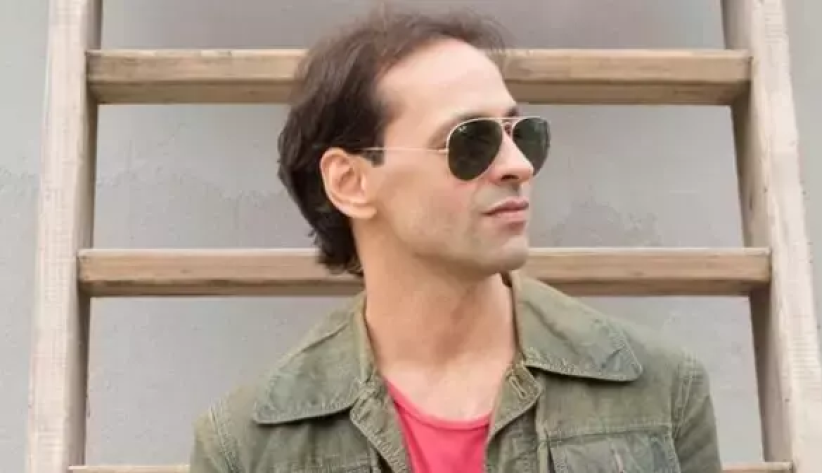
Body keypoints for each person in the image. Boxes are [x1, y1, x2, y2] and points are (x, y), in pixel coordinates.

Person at [189, 6, 722, 473]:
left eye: (521, 133)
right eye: (470, 141)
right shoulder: (248, 446)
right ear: (351, 182)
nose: (517, 165)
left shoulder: (659, 391)